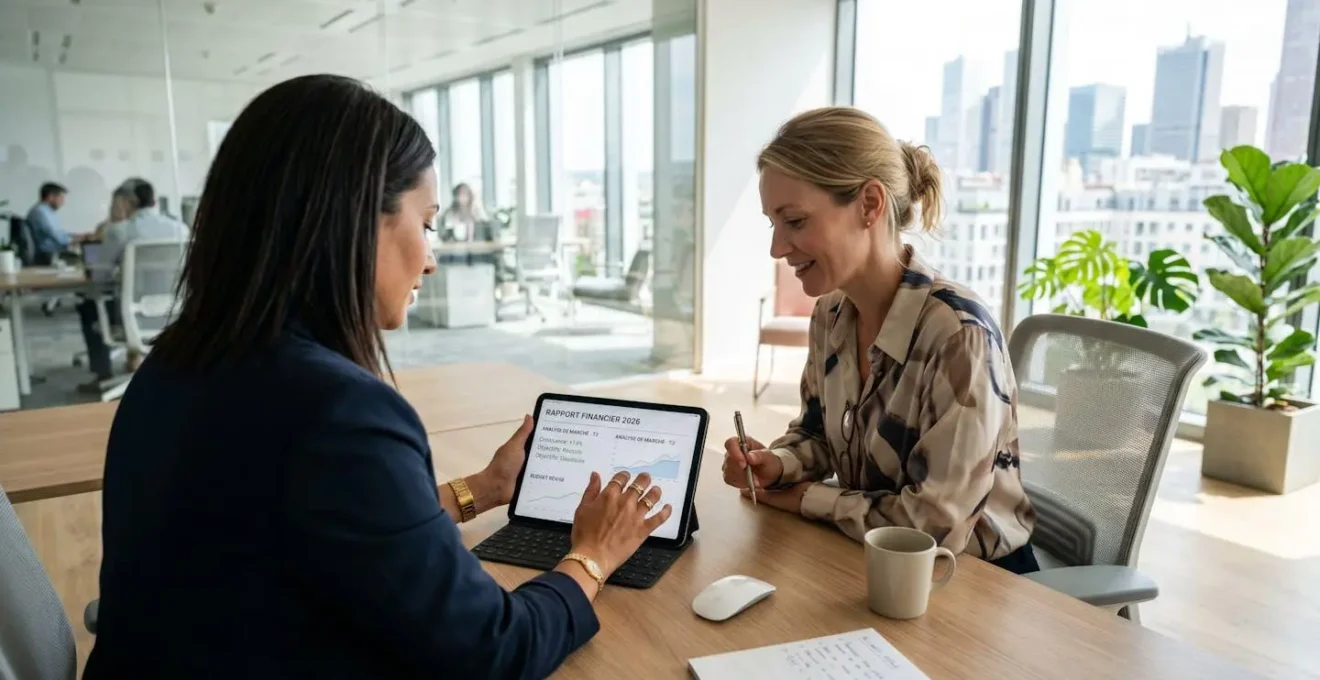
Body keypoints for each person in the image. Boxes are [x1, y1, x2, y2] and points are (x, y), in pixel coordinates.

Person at [84, 74, 672, 679]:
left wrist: (481, 488)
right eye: (427, 223)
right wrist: (593, 555)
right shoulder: (337, 412)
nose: (431, 259)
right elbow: (494, 650)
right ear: (360, 220)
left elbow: (331, 528)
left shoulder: (177, 362)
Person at [721, 107, 1039, 575]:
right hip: (866, 555)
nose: (777, 248)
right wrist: (779, 464)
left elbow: (934, 527)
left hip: (973, 578)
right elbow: (818, 433)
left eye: (795, 221)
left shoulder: (959, 336)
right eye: (774, 223)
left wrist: (806, 498)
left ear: (870, 205)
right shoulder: (831, 314)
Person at [75, 178, 189, 390]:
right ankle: (136, 361)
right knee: (130, 299)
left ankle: (102, 373)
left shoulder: (120, 231)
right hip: (175, 312)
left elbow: (100, 277)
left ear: (127, 202)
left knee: (90, 306)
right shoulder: (180, 229)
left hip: (133, 313)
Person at [25, 181, 83, 265]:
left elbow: (59, 233)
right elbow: (59, 239)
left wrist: (79, 236)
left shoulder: (47, 211)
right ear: (50, 197)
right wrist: (81, 239)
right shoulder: (40, 212)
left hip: (52, 253)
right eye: (61, 197)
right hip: (48, 256)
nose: (63, 202)